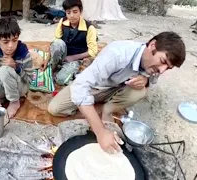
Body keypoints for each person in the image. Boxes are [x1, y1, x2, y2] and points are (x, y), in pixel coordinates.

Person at [48, 31, 186, 154]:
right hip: (96, 86)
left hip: (117, 88)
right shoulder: (118, 53)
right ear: (152, 46)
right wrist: (100, 132)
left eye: (168, 68)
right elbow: (80, 88)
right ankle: (96, 110)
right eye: (163, 61)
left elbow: (152, 81)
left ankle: (106, 109)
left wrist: (146, 80)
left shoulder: (155, 67)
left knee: (140, 91)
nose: (162, 70)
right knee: (55, 108)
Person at [49, 0, 98, 85]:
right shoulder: (62, 22)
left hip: (76, 58)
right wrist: (47, 59)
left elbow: (93, 51)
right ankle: (53, 67)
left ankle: (75, 73)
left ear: (81, 11)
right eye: (68, 12)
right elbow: (55, 42)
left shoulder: (89, 28)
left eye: (75, 12)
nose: (71, 16)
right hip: (63, 54)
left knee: (61, 80)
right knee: (57, 43)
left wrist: (73, 57)